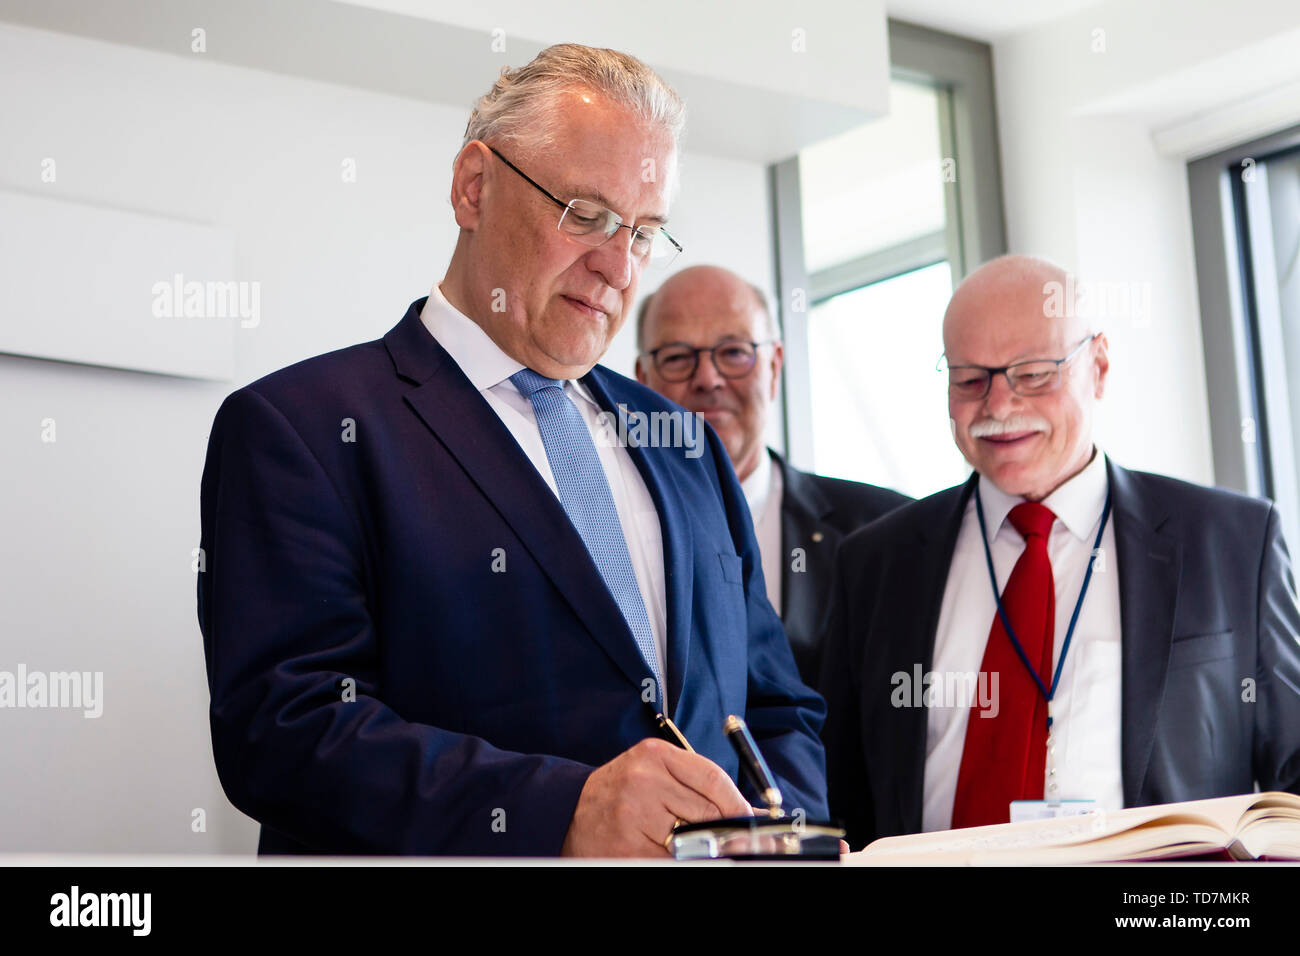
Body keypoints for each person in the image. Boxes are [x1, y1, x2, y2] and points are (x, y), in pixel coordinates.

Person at [196, 44, 827, 857]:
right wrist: (566, 811)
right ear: (473, 187)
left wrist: (786, 836)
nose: (616, 265)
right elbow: (283, 735)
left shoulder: (685, 445)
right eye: (586, 215)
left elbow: (774, 710)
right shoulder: (302, 429)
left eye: (643, 233)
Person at [819, 254, 1300, 850]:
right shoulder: (875, 562)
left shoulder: (1233, 542)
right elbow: (840, 791)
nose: (998, 406)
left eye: (1033, 373)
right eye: (970, 378)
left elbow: (1293, 776)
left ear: (1098, 365)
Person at [635, 265, 909, 684]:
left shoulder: (886, 528)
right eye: (676, 358)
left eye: (734, 352)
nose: (708, 379)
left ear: (775, 367)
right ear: (642, 382)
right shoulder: (605, 537)